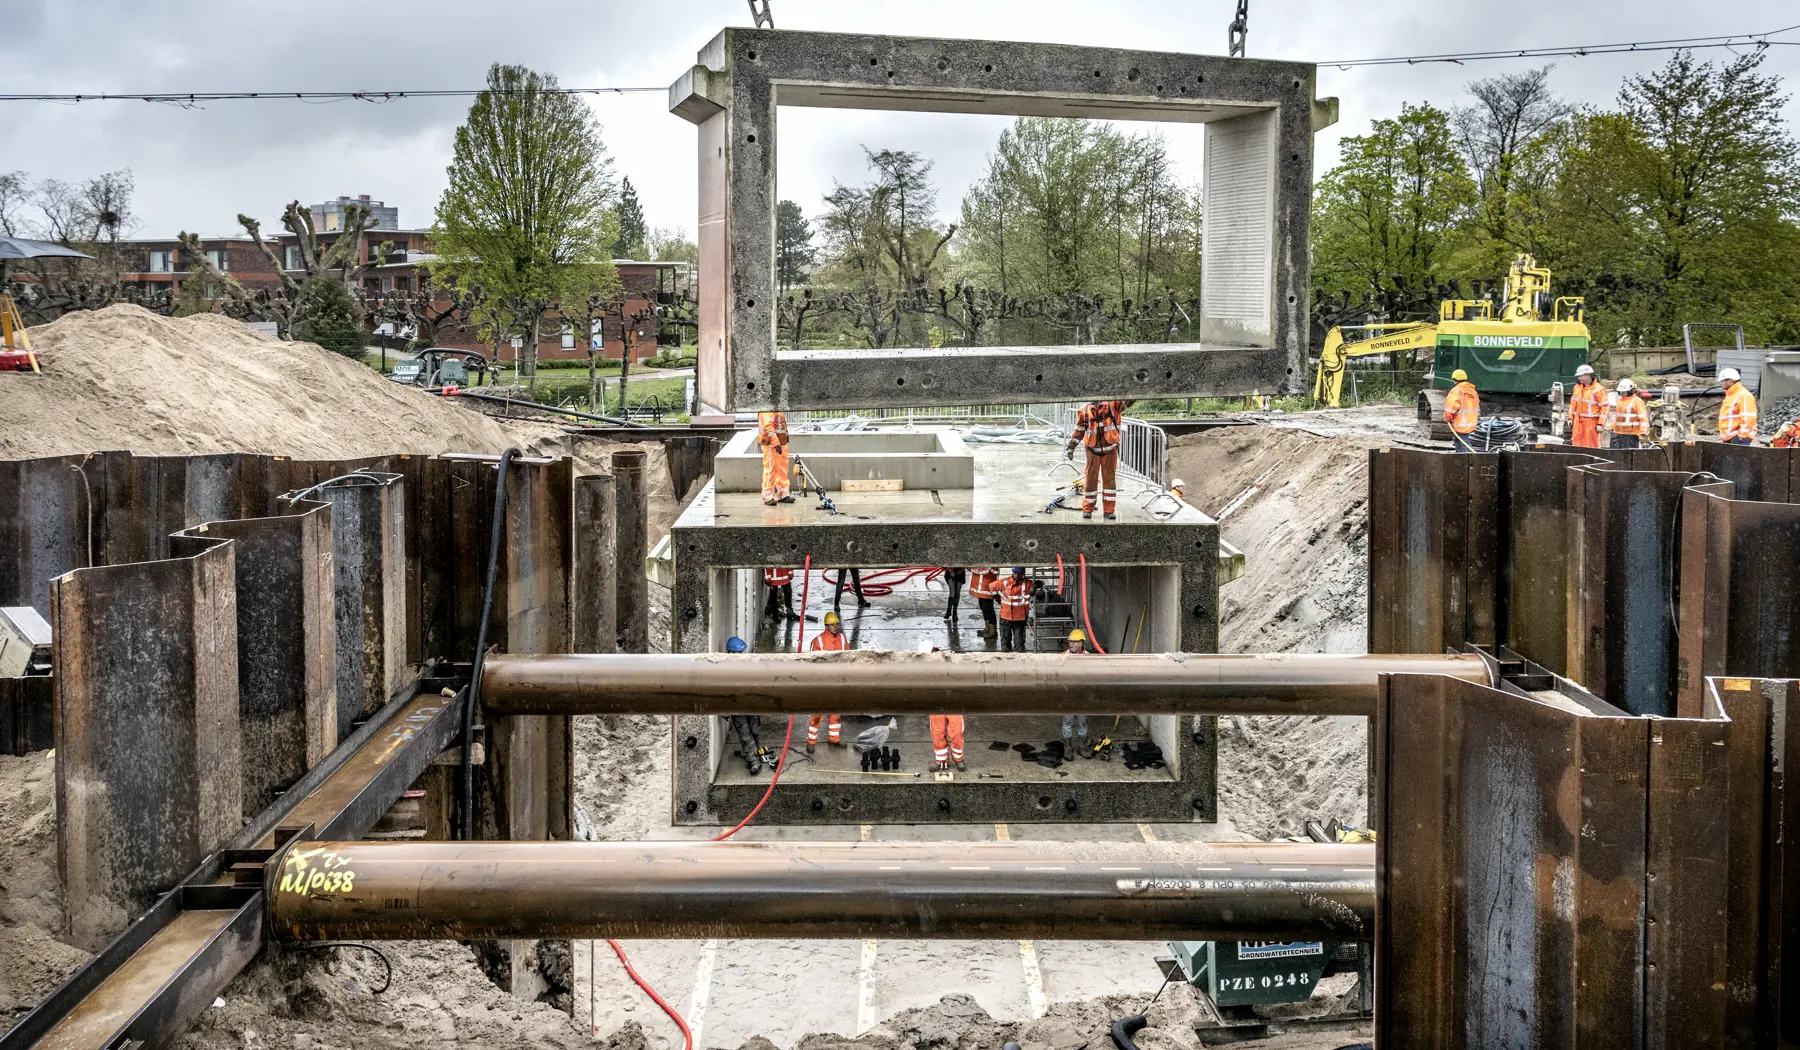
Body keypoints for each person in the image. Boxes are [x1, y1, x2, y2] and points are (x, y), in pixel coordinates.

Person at [1065, 398, 1135, 520]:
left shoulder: (1114, 405)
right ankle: (1087, 509)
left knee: (1110, 480)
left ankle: (1109, 511)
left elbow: (1130, 399)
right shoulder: (1084, 410)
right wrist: (1071, 447)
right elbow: (1079, 430)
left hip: (1110, 449)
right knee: (1090, 480)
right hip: (1092, 450)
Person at [918, 644, 965, 772]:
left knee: (956, 732)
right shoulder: (926, 671)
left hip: (953, 704)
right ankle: (941, 760)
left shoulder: (950, 665)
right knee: (938, 733)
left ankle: (958, 759)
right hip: (936, 705)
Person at [722, 637, 765, 774]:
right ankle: (753, 760)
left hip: (750, 704)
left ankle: (756, 751)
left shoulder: (748, 666)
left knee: (754, 729)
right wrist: (723, 709)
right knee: (745, 735)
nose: (741, 656)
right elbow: (722, 690)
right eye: (738, 653)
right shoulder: (724, 671)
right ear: (730, 653)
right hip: (737, 709)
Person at [805, 611, 847, 752]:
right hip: (822, 684)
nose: (836, 627)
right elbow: (811, 663)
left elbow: (849, 658)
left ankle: (834, 740)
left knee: (835, 714)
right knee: (817, 714)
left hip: (837, 683)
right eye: (833, 625)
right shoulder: (818, 641)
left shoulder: (842, 639)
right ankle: (811, 742)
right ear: (826, 626)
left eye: (837, 624)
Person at [1060, 628, 1089, 752]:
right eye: (1071, 642)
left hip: (1083, 696)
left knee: (1082, 722)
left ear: (1082, 643)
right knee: (1068, 721)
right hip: (1068, 695)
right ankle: (1067, 747)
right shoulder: (1062, 657)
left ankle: (1082, 746)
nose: (1072, 644)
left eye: (1076, 642)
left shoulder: (1089, 658)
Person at [758, 410, 793, 506]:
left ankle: (783, 494)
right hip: (771, 445)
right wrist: (776, 443)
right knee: (771, 469)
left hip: (780, 442)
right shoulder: (768, 408)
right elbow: (768, 427)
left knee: (782, 469)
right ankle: (767, 496)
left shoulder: (776, 407)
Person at [1568, 364, 1606, 449]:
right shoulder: (1577, 388)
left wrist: (1601, 424)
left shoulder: (1598, 389)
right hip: (1578, 422)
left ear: (1588, 375)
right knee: (1577, 446)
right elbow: (1573, 404)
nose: (1579, 378)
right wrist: (1570, 418)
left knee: (1592, 447)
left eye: (1580, 376)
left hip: (1591, 423)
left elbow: (1605, 407)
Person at [1718, 367, 1759, 446]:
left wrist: (1741, 436)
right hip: (1730, 436)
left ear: (1729, 381)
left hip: (1738, 438)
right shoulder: (1731, 395)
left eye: (1722, 380)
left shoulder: (1744, 396)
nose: (1721, 383)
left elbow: (1749, 418)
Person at [995, 567, 1032, 652]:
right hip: (1005, 617)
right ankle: (1006, 662)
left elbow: (1041, 583)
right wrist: (995, 596)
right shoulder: (1005, 582)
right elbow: (990, 586)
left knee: (1019, 644)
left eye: (1019, 573)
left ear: (1023, 574)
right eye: (1015, 573)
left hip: (1019, 618)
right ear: (1012, 572)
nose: (1017, 575)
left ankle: (1018, 662)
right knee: (1005, 643)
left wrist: (1036, 585)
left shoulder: (1027, 583)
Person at [1443, 369, 1480, 453]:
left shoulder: (1456, 390)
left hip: (1460, 422)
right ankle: (1460, 456)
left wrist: (1447, 417)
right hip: (1470, 421)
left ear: (1454, 379)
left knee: (1464, 442)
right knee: (1457, 438)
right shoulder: (1472, 390)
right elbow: (1476, 404)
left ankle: (1470, 459)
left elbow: (1451, 406)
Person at [1610, 378, 1649, 449]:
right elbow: (1618, 417)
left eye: (1624, 392)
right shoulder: (1619, 400)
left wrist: (1643, 433)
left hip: (1631, 435)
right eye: (1621, 392)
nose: (1622, 394)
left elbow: (1643, 419)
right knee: (1614, 455)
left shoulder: (1637, 401)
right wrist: (1613, 428)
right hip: (1618, 433)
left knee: (1628, 457)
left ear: (1630, 391)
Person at [968, 567, 1000, 639]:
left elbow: (990, 570)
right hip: (982, 587)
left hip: (987, 587)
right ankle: (988, 628)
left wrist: (973, 569)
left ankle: (993, 631)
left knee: (988, 609)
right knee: (983, 607)